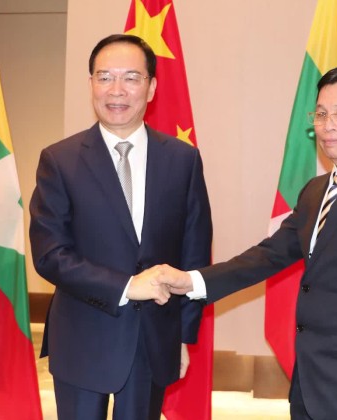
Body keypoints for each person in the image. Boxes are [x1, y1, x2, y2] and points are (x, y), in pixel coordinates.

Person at [153, 65, 337, 420]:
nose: (328, 125)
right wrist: (192, 281)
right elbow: (268, 256)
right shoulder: (316, 191)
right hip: (309, 386)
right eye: (321, 114)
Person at [28, 34, 212, 420]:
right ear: (91, 84)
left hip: (153, 341)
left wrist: (182, 336)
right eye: (105, 77)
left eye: (131, 78)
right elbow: (50, 255)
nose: (116, 90)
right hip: (82, 339)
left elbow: (194, 253)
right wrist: (127, 286)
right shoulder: (59, 160)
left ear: (151, 87)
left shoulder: (183, 160)